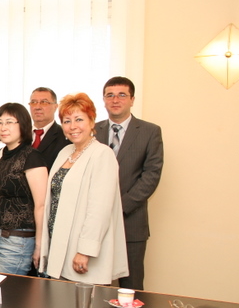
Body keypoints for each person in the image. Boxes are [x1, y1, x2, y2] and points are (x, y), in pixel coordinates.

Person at [39, 93, 128, 284]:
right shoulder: (65, 152)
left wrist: (85, 251)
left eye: (79, 119)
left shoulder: (102, 154)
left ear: (92, 122)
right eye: (67, 121)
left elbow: (100, 209)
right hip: (58, 240)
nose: (73, 126)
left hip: (80, 249)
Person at [95, 77, 163, 290]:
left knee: (131, 288)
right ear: (104, 100)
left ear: (132, 99)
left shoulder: (150, 131)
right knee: (95, 285)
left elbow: (151, 175)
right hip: (95, 222)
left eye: (122, 95)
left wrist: (119, 207)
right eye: (110, 95)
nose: (115, 100)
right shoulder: (91, 131)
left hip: (131, 222)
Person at [0, 103, 47, 275]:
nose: (3, 127)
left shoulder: (32, 157)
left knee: (6, 294)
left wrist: (39, 245)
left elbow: (41, 205)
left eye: (10, 122)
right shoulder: (2, 153)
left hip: (15, 240)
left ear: (23, 125)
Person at [29, 87, 70, 171]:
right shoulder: (20, 135)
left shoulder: (65, 136)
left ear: (55, 107)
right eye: (33, 102)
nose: (37, 107)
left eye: (44, 102)